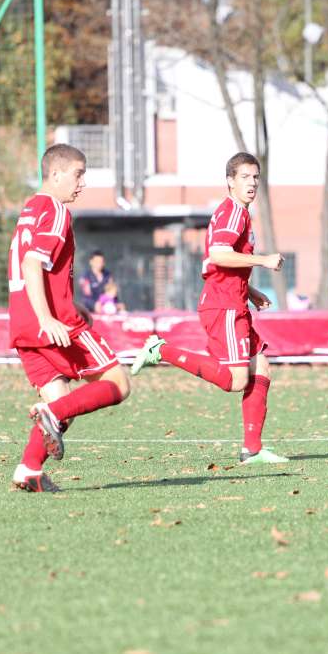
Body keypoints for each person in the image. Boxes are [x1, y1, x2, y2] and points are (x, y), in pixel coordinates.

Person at [131, 152, 287, 465]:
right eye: (245, 177)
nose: (252, 183)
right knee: (236, 380)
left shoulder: (240, 213)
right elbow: (218, 254)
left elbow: (223, 262)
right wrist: (263, 260)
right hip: (223, 306)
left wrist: (251, 290)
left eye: (255, 177)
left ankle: (252, 450)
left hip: (234, 301)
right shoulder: (232, 212)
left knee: (261, 368)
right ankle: (162, 351)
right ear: (230, 181)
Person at [8, 144, 132, 491]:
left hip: (22, 324)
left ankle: (29, 469)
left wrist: (70, 302)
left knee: (63, 402)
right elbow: (32, 264)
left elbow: (41, 269)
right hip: (53, 324)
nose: (83, 182)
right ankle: (49, 418)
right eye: (78, 174)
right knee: (118, 383)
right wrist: (50, 317)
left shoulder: (30, 209)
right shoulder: (57, 211)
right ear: (56, 174)